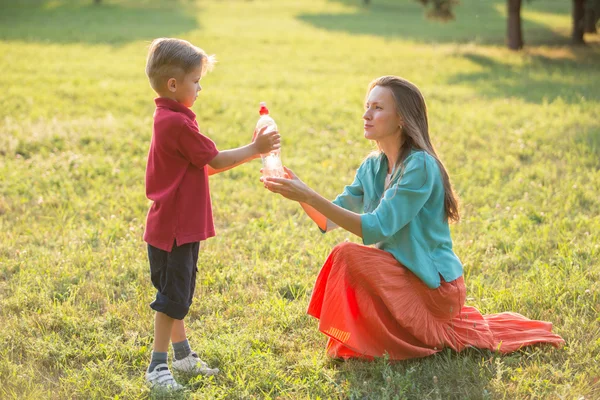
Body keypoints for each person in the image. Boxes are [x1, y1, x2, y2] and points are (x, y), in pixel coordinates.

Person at [262, 75, 564, 360]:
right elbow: (327, 218)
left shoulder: (420, 166)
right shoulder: (373, 166)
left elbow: (376, 227)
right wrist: (291, 184)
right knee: (350, 256)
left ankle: (391, 339)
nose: (367, 114)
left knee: (348, 254)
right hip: (398, 272)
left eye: (378, 108)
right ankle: (372, 338)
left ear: (402, 119)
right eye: (367, 106)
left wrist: (308, 194)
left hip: (434, 287)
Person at [143, 38, 280, 390]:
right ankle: (157, 368)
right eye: (196, 81)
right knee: (171, 300)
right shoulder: (176, 123)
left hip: (177, 228)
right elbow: (215, 159)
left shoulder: (170, 117)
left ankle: (183, 356)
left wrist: (251, 154)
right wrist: (256, 147)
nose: (200, 88)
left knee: (177, 295)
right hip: (174, 229)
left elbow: (205, 166)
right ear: (174, 85)